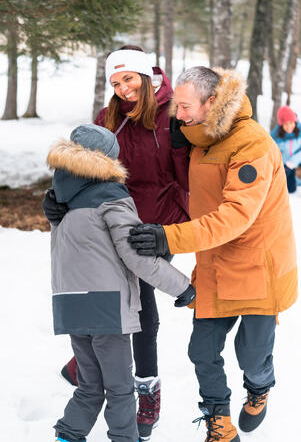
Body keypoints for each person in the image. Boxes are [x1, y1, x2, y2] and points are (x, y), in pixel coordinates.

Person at [128, 66, 298, 442]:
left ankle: (259, 388)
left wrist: (168, 238)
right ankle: (218, 420)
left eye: (186, 107)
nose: (179, 115)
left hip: (257, 265)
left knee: (251, 355)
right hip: (215, 263)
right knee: (202, 351)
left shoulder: (251, 143)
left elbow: (235, 217)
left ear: (212, 102)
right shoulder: (197, 137)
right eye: (178, 107)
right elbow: (146, 170)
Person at [42, 45, 190, 441]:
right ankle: (107, 372)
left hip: (155, 224)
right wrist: (59, 198)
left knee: (141, 306)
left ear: (145, 75)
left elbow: (186, 176)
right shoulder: (107, 119)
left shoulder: (172, 113)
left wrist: (176, 221)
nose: (123, 88)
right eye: (115, 81)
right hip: (105, 218)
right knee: (124, 302)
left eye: (129, 79)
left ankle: (144, 388)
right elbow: (82, 165)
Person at [271, 105, 301, 193]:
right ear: (281, 125)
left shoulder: (299, 131)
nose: (289, 126)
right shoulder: (276, 137)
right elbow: (272, 154)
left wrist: (292, 162)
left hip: (296, 163)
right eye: (286, 124)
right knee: (289, 189)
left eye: (291, 123)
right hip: (283, 167)